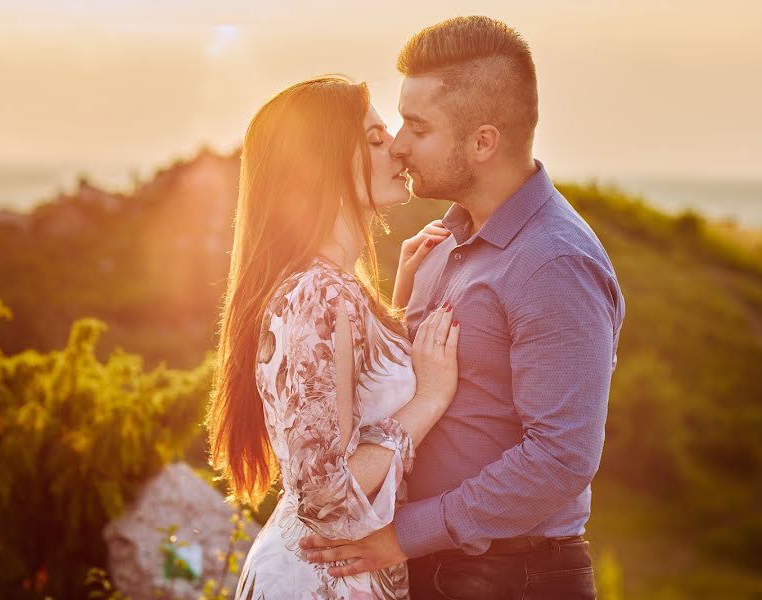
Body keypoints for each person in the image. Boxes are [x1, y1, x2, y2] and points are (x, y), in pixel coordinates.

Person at [300, 16, 626, 600]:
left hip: (510, 579)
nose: (398, 144)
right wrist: (395, 308)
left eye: (417, 128)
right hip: (430, 570)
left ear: (482, 141)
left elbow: (561, 458)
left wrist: (405, 535)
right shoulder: (441, 244)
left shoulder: (553, 264)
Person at [208, 75, 458, 599]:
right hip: (318, 581)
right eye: (372, 139)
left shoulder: (329, 289)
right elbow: (323, 493)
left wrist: (398, 309)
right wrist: (429, 400)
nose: (396, 147)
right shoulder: (318, 294)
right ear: (321, 167)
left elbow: (351, 407)